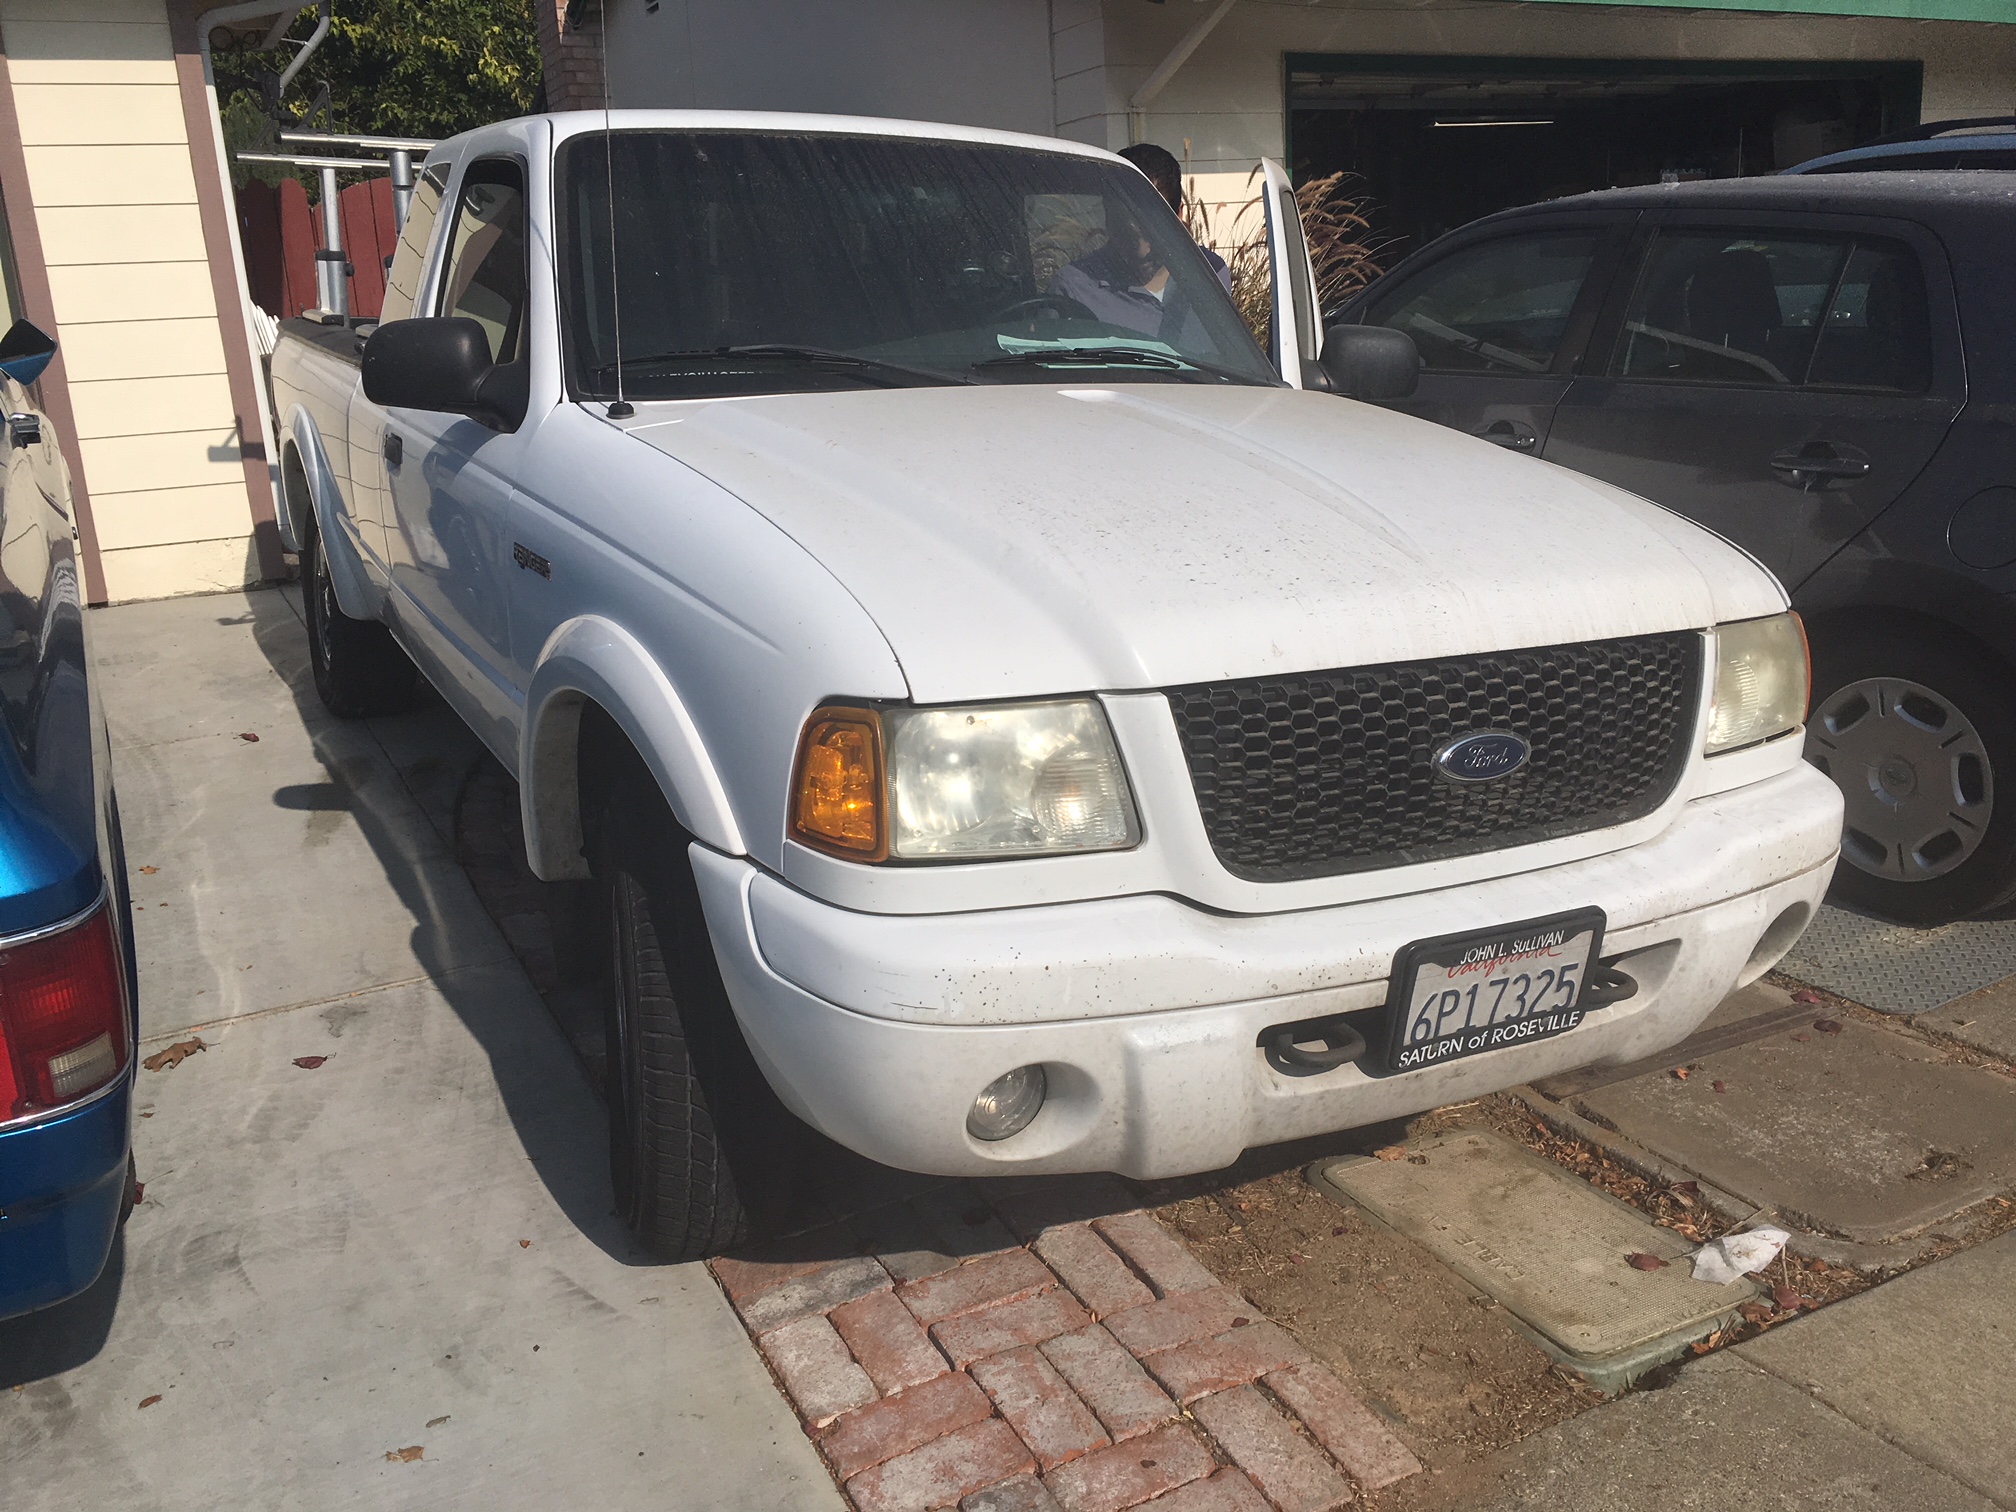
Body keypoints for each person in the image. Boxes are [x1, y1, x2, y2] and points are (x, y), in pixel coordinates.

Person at [1117, 142, 1233, 294]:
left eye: (1150, 230)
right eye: (1126, 233)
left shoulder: (1211, 272)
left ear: (1179, 216)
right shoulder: (1079, 286)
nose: (1141, 251)